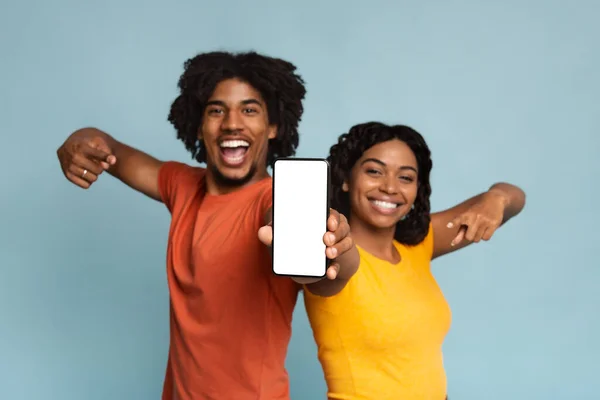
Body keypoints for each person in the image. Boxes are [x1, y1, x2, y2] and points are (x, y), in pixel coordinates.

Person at [56, 51, 359, 400]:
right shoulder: (181, 185)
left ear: (273, 126)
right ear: (200, 125)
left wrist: (333, 252)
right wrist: (81, 138)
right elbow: (112, 150)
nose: (232, 123)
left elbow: (323, 272)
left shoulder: (273, 201)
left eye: (249, 109)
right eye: (217, 110)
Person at [303, 122, 526, 400]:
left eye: (405, 178)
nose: (389, 187)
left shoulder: (420, 244)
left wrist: (496, 198)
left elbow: (516, 197)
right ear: (346, 179)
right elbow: (325, 267)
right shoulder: (329, 250)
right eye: (374, 171)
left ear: (417, 189)